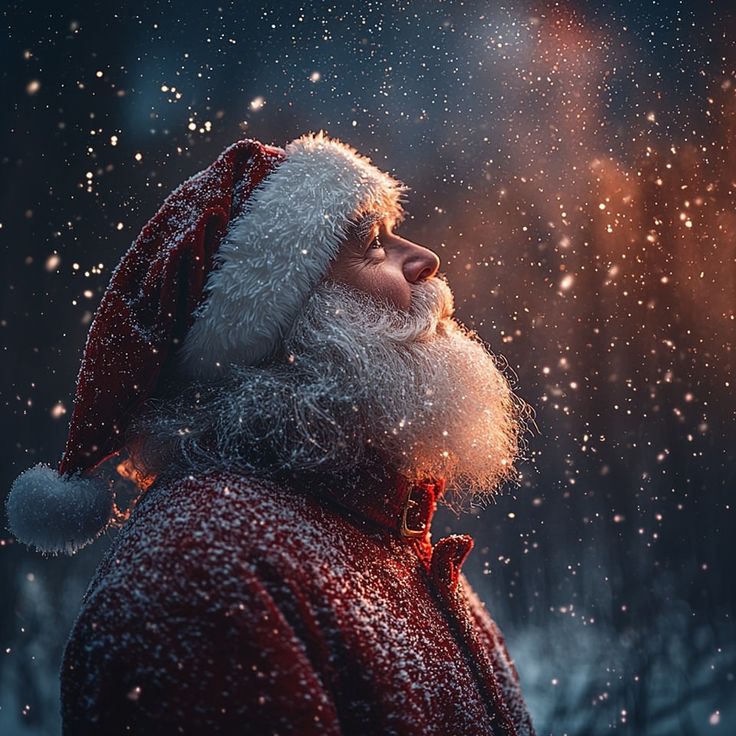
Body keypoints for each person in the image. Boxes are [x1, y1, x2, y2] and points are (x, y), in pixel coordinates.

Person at [7, 131, 536, 735]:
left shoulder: (383, 530)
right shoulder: (199, 583)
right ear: (278, 334)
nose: (422, 259)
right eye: (370, 245)